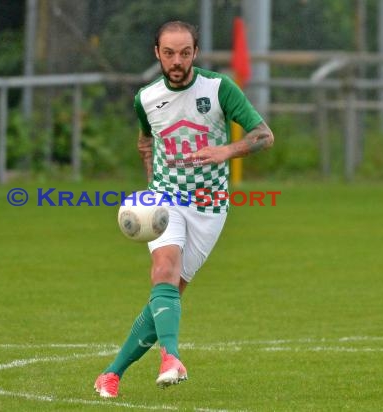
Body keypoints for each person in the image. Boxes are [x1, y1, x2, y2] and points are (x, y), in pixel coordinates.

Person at [94, 20, 274, 398]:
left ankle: (111, 374)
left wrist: (227, 150)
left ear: (195, 52)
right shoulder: (145, 98)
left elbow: (264, 136)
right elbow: (146, 142)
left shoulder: (219, 88)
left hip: (211, 206)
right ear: (157, 53)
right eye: (170, 53)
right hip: (166, 201)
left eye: (185, 53)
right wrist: (151, 193)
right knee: (163, 271)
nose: (177, 61)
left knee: (169, 293)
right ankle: (171, 357)